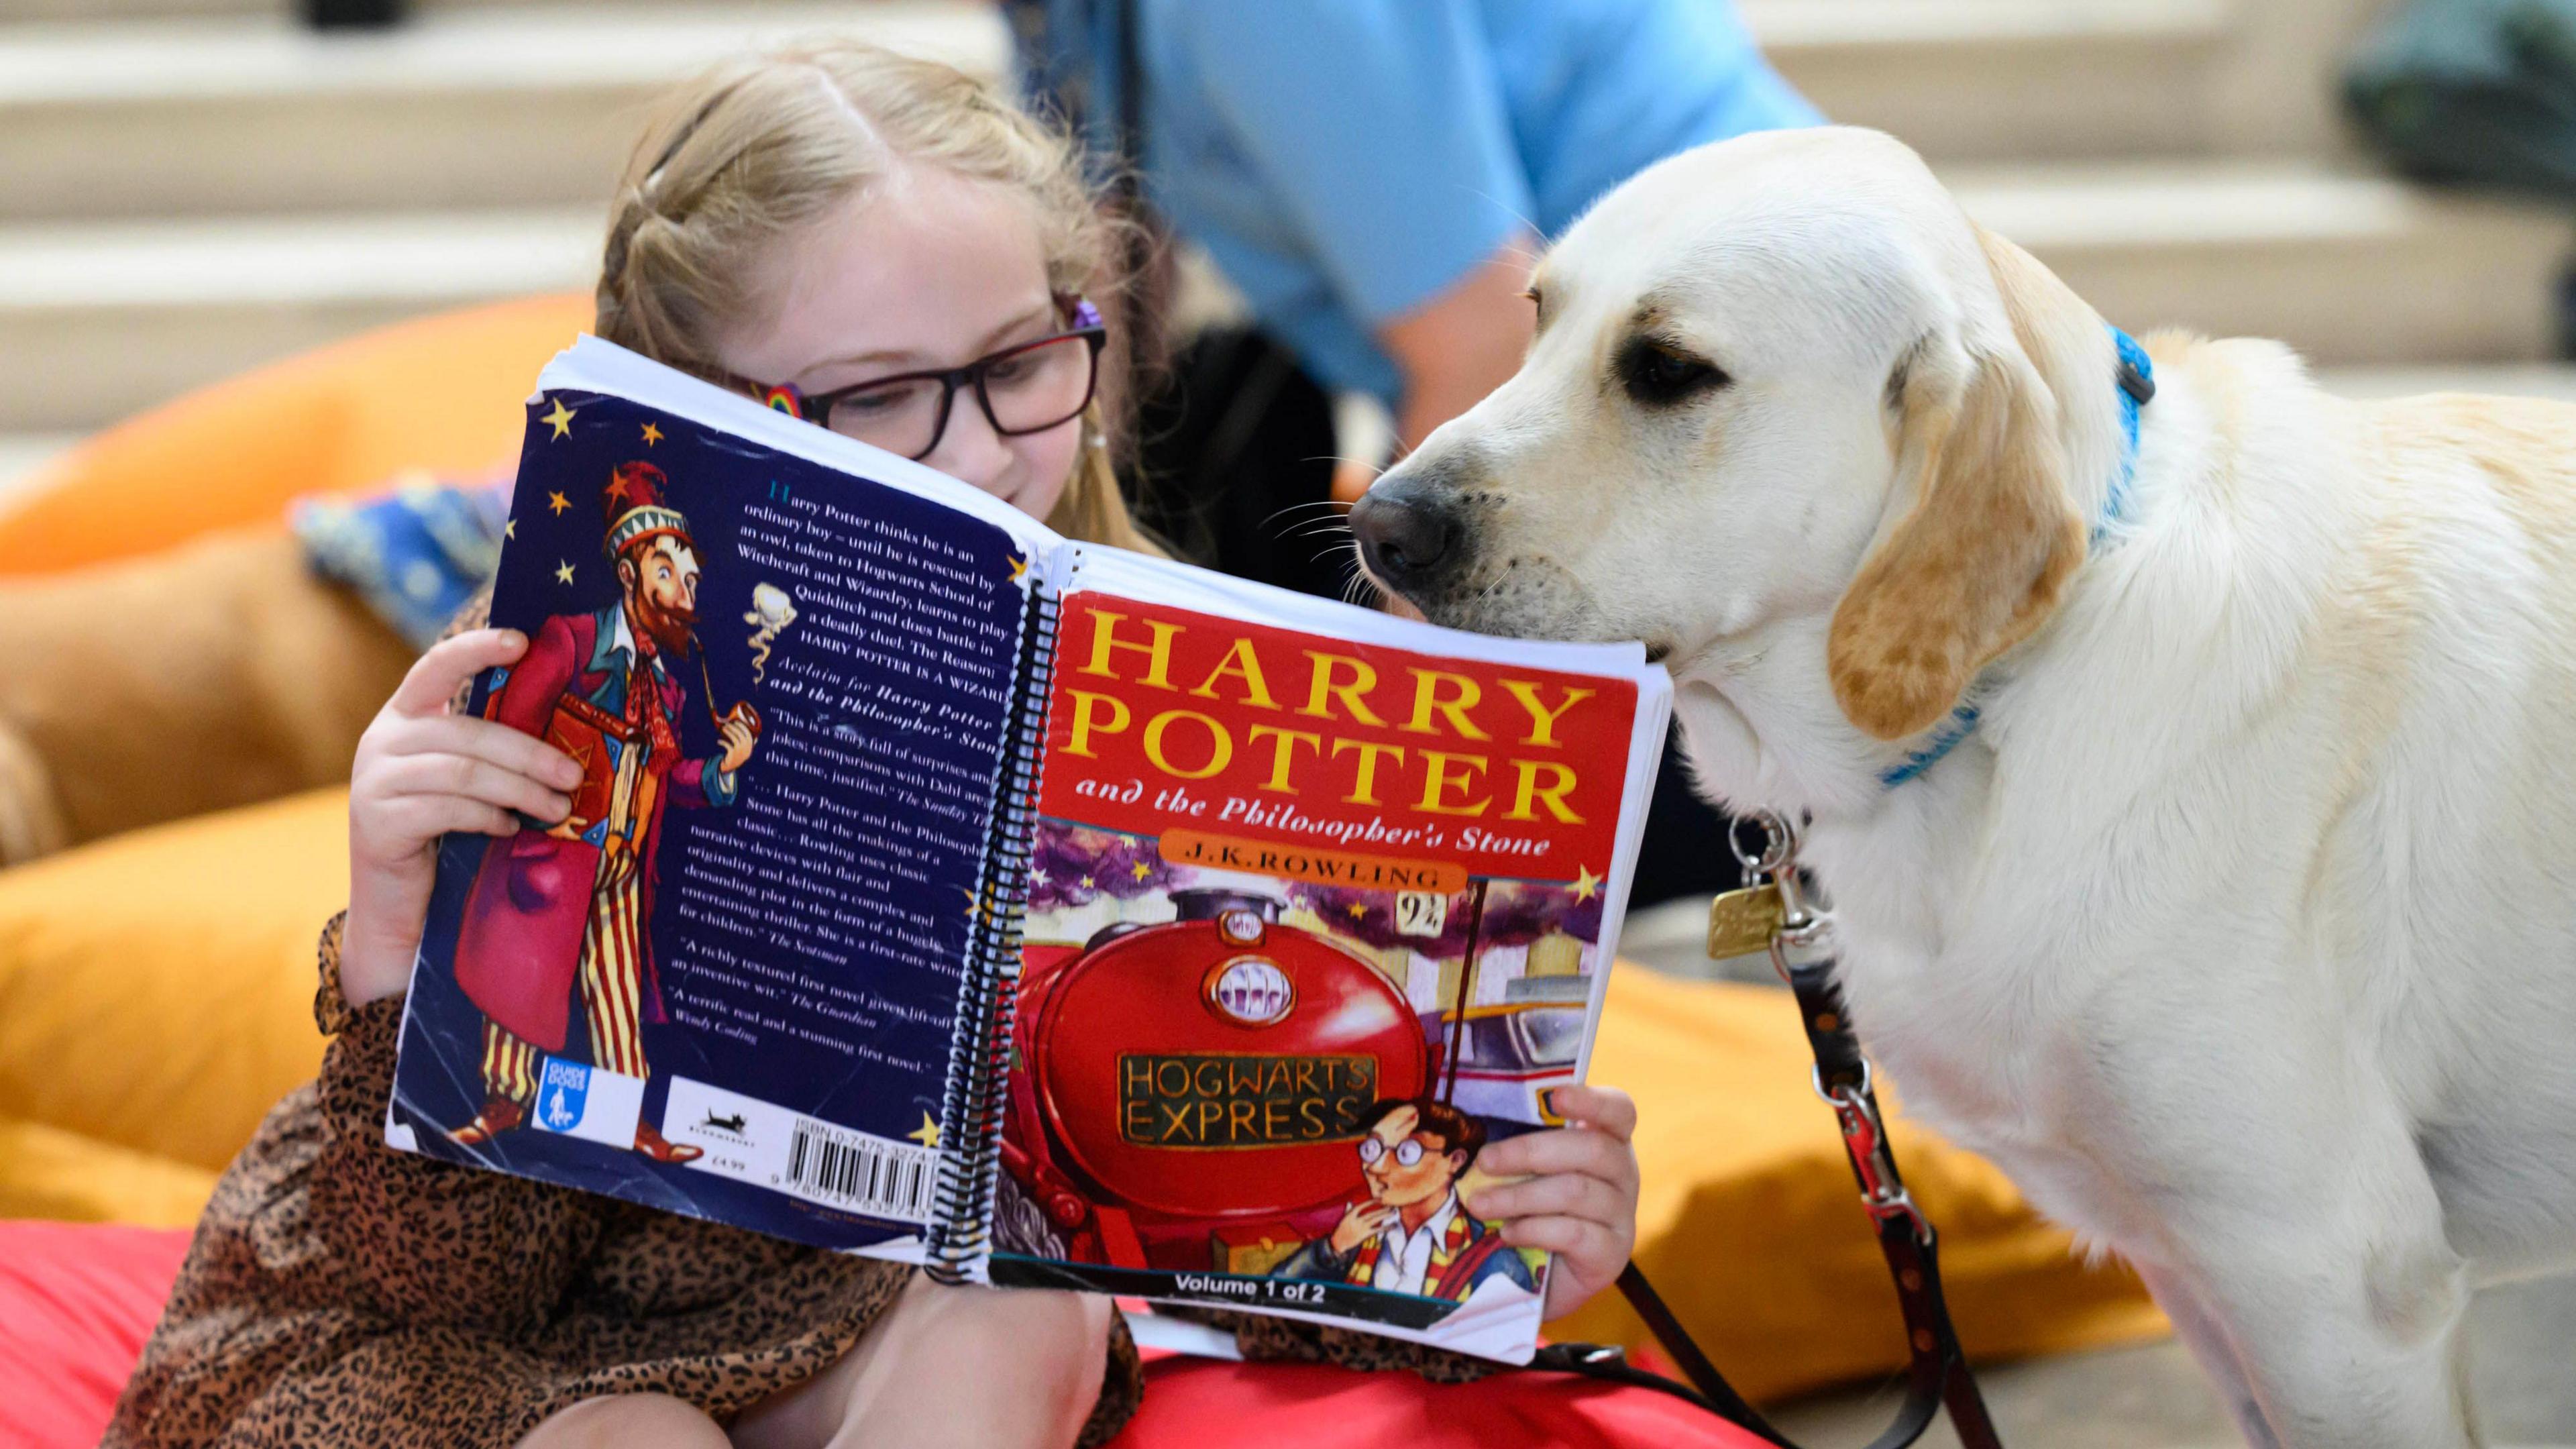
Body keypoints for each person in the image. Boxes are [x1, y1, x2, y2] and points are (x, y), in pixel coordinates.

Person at [107, 41, 1643, 1449]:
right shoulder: (575, 692)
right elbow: (451, 1283)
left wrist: (1488, 1228)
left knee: (1031, 1304)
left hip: (815, 1336)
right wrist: (398, 946)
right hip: (448, 1354)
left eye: (1022, 362)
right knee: (629, 1439)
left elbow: (1199, 1209)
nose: (977, 449)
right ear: (694, 416)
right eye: (882, 396)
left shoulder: (1169, 688)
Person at [1014, 0, 1819, 908]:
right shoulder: (1059, 17)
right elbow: (1105, 299)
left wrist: (1398, 796)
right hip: (1599, 458)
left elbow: (1482, 339)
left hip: (1744, 480)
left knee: (1429, 878)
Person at [443, 461, 759, 1161]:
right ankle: (504, 1097)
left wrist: (722, 769)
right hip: (552, 855)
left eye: (692, 582)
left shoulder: (671, 691)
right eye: (669, 574)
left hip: (621, 865)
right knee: (522, 978)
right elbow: (510, 728)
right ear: (630, 573)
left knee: (617, 993)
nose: (684, 593)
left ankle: (627, 1118)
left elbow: (670, 778)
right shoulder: (570, 640)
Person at [1275, 1098, 1536, 1302]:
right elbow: (1271, 1297)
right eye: (1372, 1148)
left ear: (1455, 1161)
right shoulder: (1354, 1239)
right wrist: (1332, 1251)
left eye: (1407, 1152)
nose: (1375, 1166)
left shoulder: (1494, 1265)